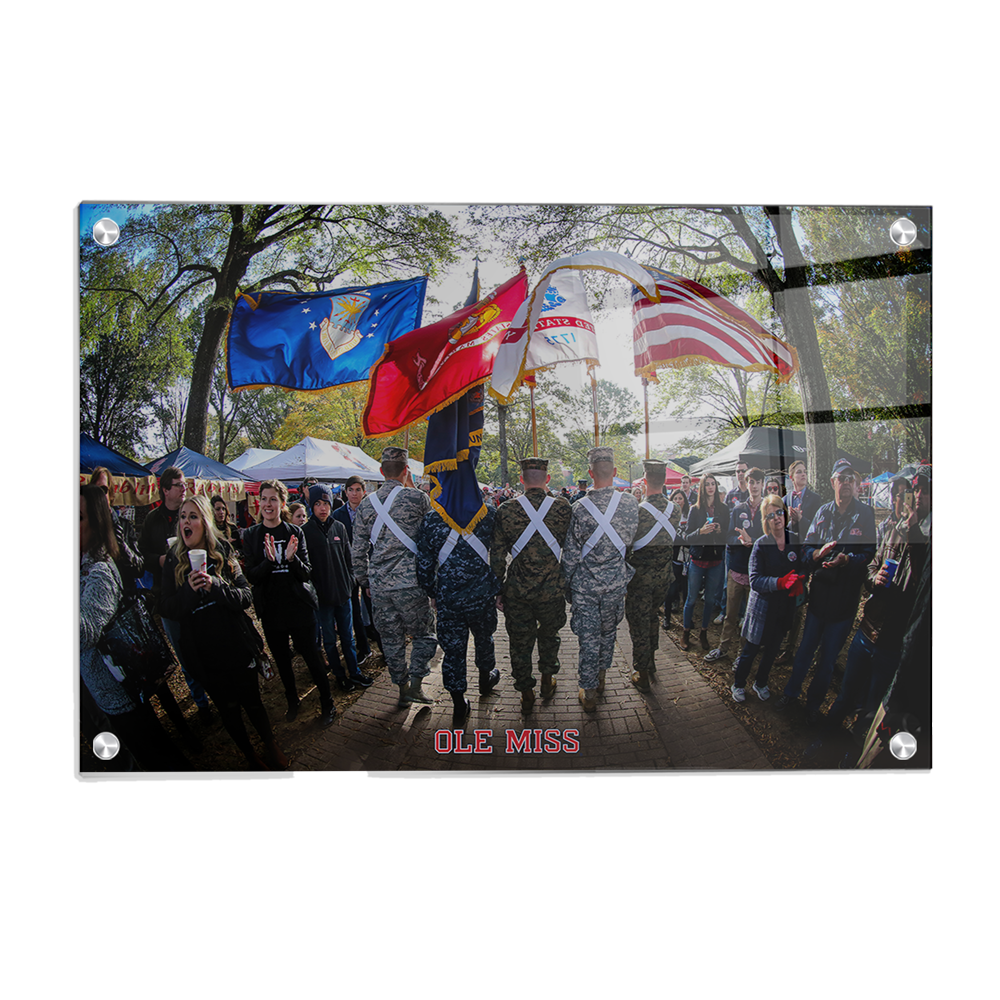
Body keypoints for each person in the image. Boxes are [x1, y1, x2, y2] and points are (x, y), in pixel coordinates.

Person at [161, 496, 289, 771]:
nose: (186, 521)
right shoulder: (174, 560)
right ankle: (250, 756)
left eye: (193, 516)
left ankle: (270, 744)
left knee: (252, 703)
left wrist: (216, 586)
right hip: (203, 653)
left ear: (205, 521)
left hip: (235, 645)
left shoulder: (221, 551)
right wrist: (188, 591)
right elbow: (167, 607)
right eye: (183, 516)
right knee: (229, 710)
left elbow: (245, 596)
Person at [79, 485, 192, 773]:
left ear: (96, 521)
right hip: (102, 688)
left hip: (120, 682)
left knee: (154, 753)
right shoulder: (81, 563)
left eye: (77, 516)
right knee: (145, 748)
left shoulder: (98, 571)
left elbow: (85, 634)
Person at [824, 468, 931, 732]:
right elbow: (871, 567)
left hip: (893, 641)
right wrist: (876, 577)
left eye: (923, 491)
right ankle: (826, 736)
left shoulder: (928, 541)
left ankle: (854, 752)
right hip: (867, 630)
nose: (915, 497)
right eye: (909, 492)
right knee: (846, 692)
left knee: (872, 706)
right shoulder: (893, 531)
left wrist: (913, 528)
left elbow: (920, 586)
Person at [775, 459, 877, 725]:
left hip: (844, 602)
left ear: (855, 484)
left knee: (827, 659)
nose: (845, 484)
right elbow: (808, 548)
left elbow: (869, 554)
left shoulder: (865, 514)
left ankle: (813, 705)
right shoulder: (822, 512)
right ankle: (791, 693)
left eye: (849, 479)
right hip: (819, 598)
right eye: (840, 479)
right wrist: (817, 553)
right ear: (833, 482)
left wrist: (848, 559)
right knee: (805, 650)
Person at [243, 479, 336, 726]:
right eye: (264, 499)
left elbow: (306, 573)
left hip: (299, 607)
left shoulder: (295, 532)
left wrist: (291, 559)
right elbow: (251, 576)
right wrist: (269, 562)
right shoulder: (251, 535)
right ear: (259, 502)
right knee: (283, 661)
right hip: (272, 611)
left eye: (273, 499)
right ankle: (293, 700)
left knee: (312, 658)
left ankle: (328, 703)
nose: (268, 504)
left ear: (282, 503)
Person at [351, 447, 438, 708]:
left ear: (380, 471)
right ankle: (416, 685)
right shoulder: (417, 498)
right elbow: (431, 535)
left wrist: (365, 581)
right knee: (424, 635)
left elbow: (357, 551)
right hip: (412, 584)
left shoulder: (366, 504)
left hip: (379, 585)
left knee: (390, 639)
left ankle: (401, 689)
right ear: (405, 470)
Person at [490, 457, 572, 714]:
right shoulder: (563, 508)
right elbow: (571, 551)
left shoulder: (506, 510)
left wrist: (498, 589)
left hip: (518, 592)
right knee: (550, 637)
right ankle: (547, 681)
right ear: (547, 479)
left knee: (519, 643)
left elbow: (497, 555)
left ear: (522, 479)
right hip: (551, 591)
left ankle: (526, 692)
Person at [561, 447, 639, 713]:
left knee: (588, 638)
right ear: (615, 473)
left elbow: (571, 554)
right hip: (616, 582)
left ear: (590, 473)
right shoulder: (630, 504)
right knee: (609, 633)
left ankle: (589, 689)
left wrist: (567, 586)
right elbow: (630, 542)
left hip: (586, 586)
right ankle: (603, 677)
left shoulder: (579, 509)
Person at [416, 489, 501, 727]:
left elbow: (423, 564)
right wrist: (498, 587)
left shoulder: (433, 519)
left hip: (449, 599)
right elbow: (500, 552)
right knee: (484, 639)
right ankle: (485, 680)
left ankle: (458, 705)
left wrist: (433, 592)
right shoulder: (488, 515)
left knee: (452, 652)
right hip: (482, 596)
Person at [138, 466, 213, 721]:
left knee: (206, 644)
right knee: (184, 652)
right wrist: (159, 560)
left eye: (184, 485)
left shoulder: (193, 512)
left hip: (198, 590)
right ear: (166, 490)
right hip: (169, 596)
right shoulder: (152, 520)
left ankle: (219, 691)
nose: (183, 489)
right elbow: (141, 556)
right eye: (179, 485)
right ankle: (201, 703)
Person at [729, 495, 804, 702]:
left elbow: (802, 565)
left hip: (784, 608)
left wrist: (800, 580)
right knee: (751, 649)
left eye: (779, 512)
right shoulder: (761, 545)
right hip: (762, 609)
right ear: (765, 520)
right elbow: (755, 580)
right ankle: (738, 684)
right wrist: (779, 582)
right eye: (770, 515)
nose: (776, 518)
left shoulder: (794, 540)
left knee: (772, 650)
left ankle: (760, 682)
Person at [302, 483, 371, 691]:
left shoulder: (339, 527)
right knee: (330, 642)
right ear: (311, 505)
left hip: (344, 595)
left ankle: (355, 673)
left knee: (348, 639)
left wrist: (350, 583)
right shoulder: (304, 532)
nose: (323, 508)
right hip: (322, 600)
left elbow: (349, 561)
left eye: (326, 503)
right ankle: (340, 676)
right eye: (318, 504)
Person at [625, 460, 676, 692]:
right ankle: (652, 660)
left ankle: (642, 672)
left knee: (638, 623)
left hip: (641, 580)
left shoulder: (636, 512)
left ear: (644, 482)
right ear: (664, 481)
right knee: (653, 617)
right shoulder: (676, 509)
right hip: (664, 577)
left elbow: (627, 547)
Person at [705, 467, 765, 664]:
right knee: (730, 615)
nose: (754, 486)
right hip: (737, 570)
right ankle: (723, 647)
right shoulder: (738, 509)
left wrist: (753, 540)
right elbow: (729, 536)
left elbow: (773, 539)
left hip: (757, 572)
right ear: (746, 484)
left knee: (749, 618)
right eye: (751, 482)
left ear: (762, 484)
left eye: (757, 482)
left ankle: (742, 654)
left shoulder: (768, 509)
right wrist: (740, 540)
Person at [774, 459, 824, 665]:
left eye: (805, 472)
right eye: (800, 472)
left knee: (797, 603)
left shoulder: (815, 499)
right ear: (792, 476)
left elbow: (818, 531)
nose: (803, 475)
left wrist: (801, 520)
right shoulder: (784, 500)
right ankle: (776, 642)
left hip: (804, 557)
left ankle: (789, 649)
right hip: (786, 556)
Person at [680, 472, 729, 652]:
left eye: (713, 484)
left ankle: (703, 633)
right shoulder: (695, 509)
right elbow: (687, 537)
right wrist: (700, 532)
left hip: (715, 560)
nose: (710, 487)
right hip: (697, 560)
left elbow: (727, 536)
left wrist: (719, 531)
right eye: (707, 484)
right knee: (691, 599)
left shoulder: (723, 509)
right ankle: (685, 633)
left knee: (709, 599)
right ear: (702, 487)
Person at [333, 475, 376, 662]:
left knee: (373, 608)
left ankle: (382, 646)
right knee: (354, 611)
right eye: (351, 490)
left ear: (363, 492)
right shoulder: (338, 515)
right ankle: (363, 648)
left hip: (368, 566)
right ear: (346, 492)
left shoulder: (372, 511)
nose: (354, 493)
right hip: (347, 570)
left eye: (358, 489)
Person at [89, 467, 145, 598]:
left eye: (103, 490)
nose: (99, 495)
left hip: (122, 602)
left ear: (110, 495)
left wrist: (119, 538)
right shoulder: (83, 527)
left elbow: (139, 569)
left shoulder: (124, 526)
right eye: (95, 490)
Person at [663, 487, 690, 630]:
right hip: (673, 559)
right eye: (676, 498)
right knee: (671, 591)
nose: (678, 501)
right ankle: (667, 618)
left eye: (681, 498)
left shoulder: (689, 515)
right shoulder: (668, 516)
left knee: (686, 591)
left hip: (686, 559)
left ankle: (687, 621)